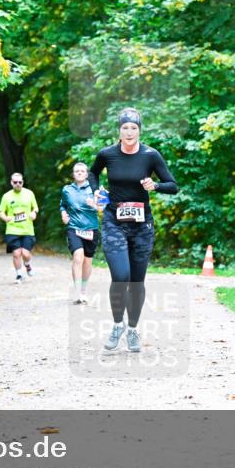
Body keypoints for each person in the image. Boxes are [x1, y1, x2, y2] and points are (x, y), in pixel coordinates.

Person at [88, 107, 178, 352]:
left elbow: (173, 186)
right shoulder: (107, 154)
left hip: (142, 227)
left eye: (134, 128)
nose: (129, 132)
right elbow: (93, 173)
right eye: (125, 128)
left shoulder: (150, 155)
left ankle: (133, 330)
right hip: (114, 222)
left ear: (139, 130)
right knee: (121, 276)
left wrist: (155, 185)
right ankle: (118, 325)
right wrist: (95, 190)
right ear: (119, 130)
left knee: (137, 281)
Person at [60, 162, 100, 304]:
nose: (79, 173)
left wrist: (95, 205)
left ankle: (83, 291)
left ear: (87, 173)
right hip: (74, 228)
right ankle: (77, 292)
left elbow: (104, 207)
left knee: (87, 261)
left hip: (91, 229)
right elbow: (63, 204)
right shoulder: (67, 189)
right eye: (77, 171)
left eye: (82, 171)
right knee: (78, 257)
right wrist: (64, 214)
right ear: (73, 174)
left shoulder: (94, 189)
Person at [0, 172, 39, 284]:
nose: (18, 184)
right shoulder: (6, 196)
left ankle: (27, 264)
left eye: (20, 182)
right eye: (15, 182)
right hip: (12, 229)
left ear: (22, 182)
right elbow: (1, 211)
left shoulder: (29, 194)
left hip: (27, 229)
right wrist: (5, 218)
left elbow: (35, 208)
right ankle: (19, 274)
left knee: (25, 254)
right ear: (11, 183)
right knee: (16, 253)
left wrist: (34, 213)